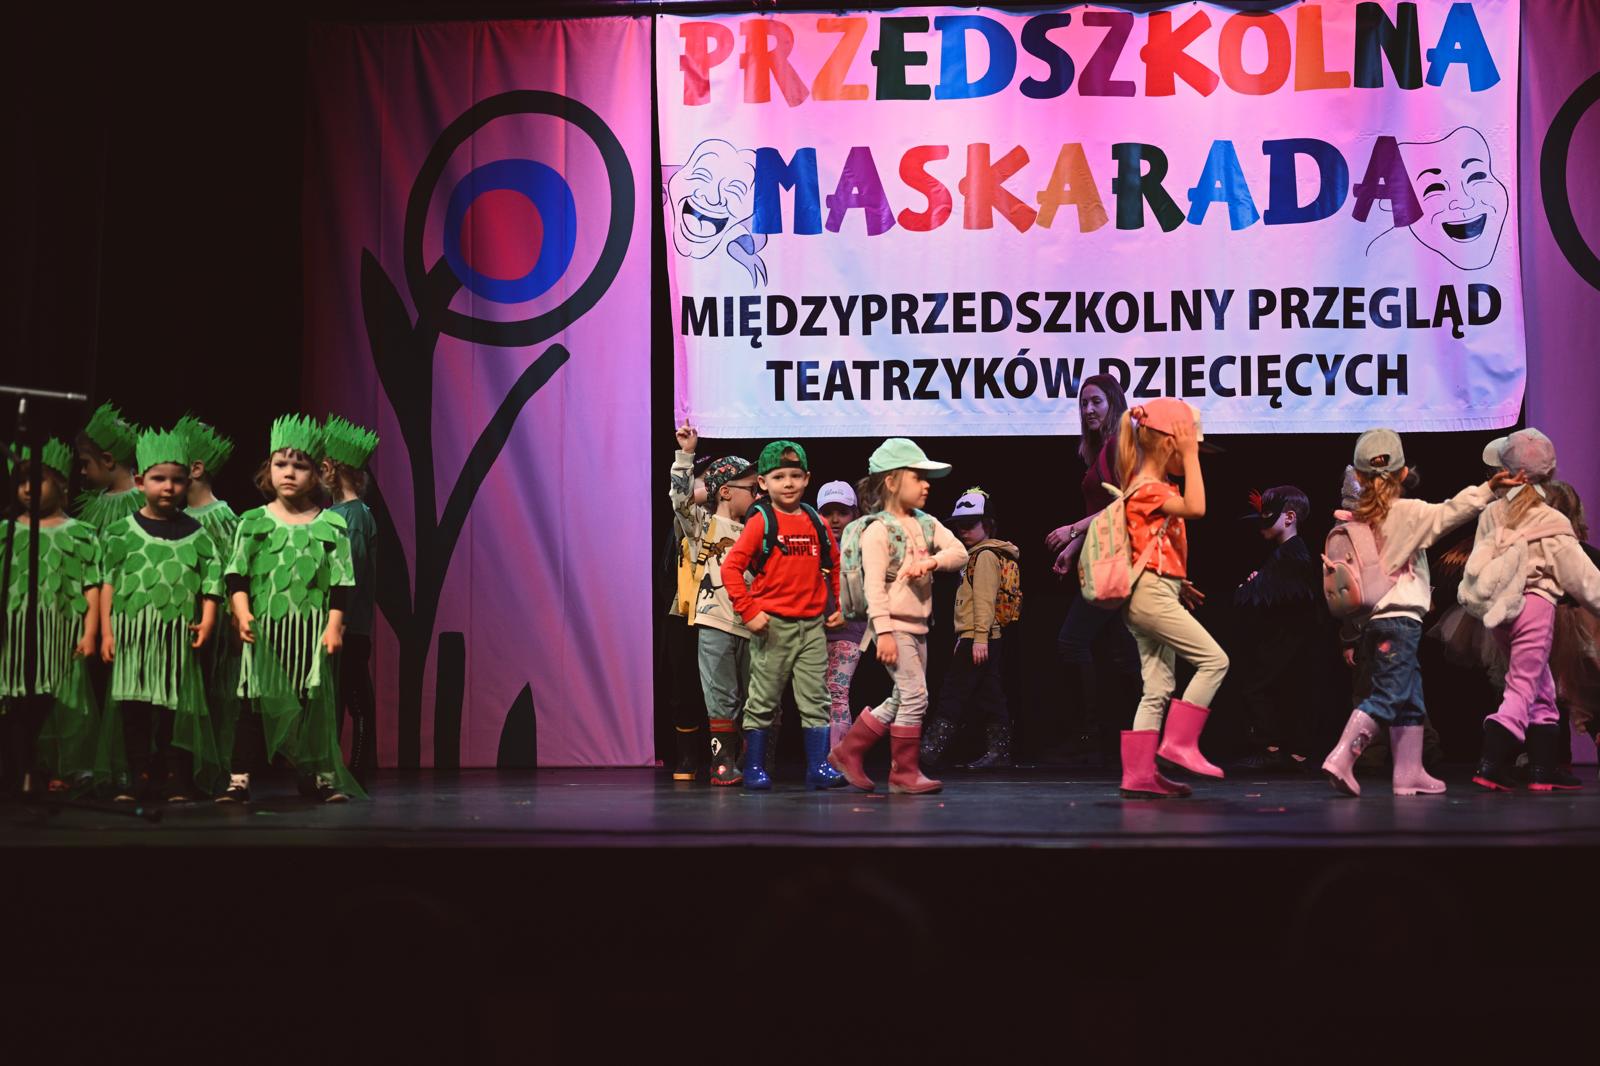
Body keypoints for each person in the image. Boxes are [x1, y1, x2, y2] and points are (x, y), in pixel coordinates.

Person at [1321, 429, 1516, 797]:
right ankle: (1342, 756)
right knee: (1389, 695)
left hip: (1376, 622)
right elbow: (1452, 511)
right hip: (1400, 622)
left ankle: (1409, 771)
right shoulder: (1406, 514)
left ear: (1358, 475)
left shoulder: (1354, 518)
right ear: (1402, 473)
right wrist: (1489, 488)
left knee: (1409, 698)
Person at [219, 415, 361, 804]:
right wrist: (243, 613)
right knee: (252, 705)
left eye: (300, 466)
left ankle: (318, 776)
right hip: (265, 634)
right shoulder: (253, 522)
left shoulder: (332, 525)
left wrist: (334, 626)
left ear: (317, 474)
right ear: (269, 469)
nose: (289, 473)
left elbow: (341, 583)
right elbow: (236, 575)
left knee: (313, 709)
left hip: (309, 635)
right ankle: (239, 778)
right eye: (281, 464)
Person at [1459, 430, 1600, 792]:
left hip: (1499, 613)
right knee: (1522, 686)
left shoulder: (1493, 513)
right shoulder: (1550, 520)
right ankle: (1490, 764)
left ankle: (1542, 767)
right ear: (1549, 473)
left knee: (1540, 686)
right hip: (1533, 608)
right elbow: (1584, 579)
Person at [828, 438, 968, 795]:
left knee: (903, 697)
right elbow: (874, 588)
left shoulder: (925, 523)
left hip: (918, 625)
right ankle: (903, 773)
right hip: (892, 625)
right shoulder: (879, 530)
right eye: (917, 477)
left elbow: (959, 552)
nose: (926, 485)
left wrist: (931, 561)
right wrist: (885, 633)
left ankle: (848, 750)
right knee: (916, 697)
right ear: (891, 482)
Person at [93, 427, 225, 803]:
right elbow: (107, 584)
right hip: (132, 637)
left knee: (174, 710)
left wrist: (208, 619)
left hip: (175, 639)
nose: (168, 487)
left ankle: (175, 778)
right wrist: (106, 633)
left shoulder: (198, 534)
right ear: (140, 481)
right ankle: (135, 777)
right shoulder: (120, 533)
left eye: (177, 480)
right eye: (159, 478)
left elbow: (211, 580)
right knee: (133, 709)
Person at [1115, 399, 1228, 798]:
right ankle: (1180, 744)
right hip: (1149, 596)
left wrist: (1177, 583)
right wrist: (1191, 455)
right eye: (1188, 448)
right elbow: (1197, 507)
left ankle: (1139, 775)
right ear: (1169, 444)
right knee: (1214, 661)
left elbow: (1148, 547)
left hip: (1155, 591)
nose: (1194, 456)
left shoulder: (1150, 488)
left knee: (1158, 687)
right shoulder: (1148, 488)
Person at [720, 441, 845, 791]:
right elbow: (731, 568)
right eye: (779, 477)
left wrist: (837, 607)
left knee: (817, 699)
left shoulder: (816, 521)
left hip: (813, 627)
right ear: (763, 483)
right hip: (773, 626)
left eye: (794, 475)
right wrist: (749, 611)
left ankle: (818, 767)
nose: (788, 483)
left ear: (807, 478)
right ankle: (754, 767)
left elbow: (834, 564)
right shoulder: (762, 521)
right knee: (762, 701)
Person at [1046, 374, 1140, 764]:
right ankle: (1128, 740)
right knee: (1124, 651)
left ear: (1114, 403)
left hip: (1124, 559)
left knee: (1077, 642)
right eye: (1083, 403)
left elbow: (1132, 501)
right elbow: (1104, 511)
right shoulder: (1102, 449)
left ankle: (1101, 736)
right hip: (1105, 557)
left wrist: (1073, 530)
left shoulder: (1123, 443)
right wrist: (1075, 547)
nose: (1088, 410)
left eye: (1096, 401)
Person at [0, 439, 99, 795]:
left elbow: (92, 586)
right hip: (14, 636)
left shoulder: (80, 534)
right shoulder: (6, 531)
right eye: (21, 481)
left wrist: (90, 632)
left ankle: (52, 769)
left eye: (37, 480)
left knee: (52, 703)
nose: (27, 488)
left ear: (60, 483)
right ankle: (20, 773)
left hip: (59, 637)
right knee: (15, 703)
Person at [669, 423, 758, 785]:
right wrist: (686, 456)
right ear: (725, 491)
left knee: (755, 696)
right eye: (751, 489)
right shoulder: (703, 525)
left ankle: (753, 760)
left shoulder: (758, 527)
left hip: (753, 624)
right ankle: (722, 761)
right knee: (721, 695)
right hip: (716, 621)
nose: (757, 494)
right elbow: (680, 499)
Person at [922, 487, 1020, 770]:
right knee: (989, 694)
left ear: (987, 524)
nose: (963, 531)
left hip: (981, 637)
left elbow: (984, 601)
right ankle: (999, 752)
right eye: (959, 525)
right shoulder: (976, 554)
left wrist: (978, 639)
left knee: (953, 692)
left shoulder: (985, 555)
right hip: (979, 636)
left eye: (970, 524)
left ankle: (928, 751)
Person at [1232, 486, 1322, 770]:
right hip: (1285, 638)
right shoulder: (1285, 554)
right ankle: (1288, 750)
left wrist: (1251, 586)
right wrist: (1260, 582)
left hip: (1289, 640)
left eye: (1268, 515)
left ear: (1289, 517)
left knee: (1263, 687)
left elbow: (1255, 595)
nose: (1261, 525)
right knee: (1285, 689)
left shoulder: (1292, 554)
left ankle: (1276, 749)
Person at [321, 414, 380, 788]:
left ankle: (358, 768)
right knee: (338, 697)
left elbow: (351, 572)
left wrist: (339, 621)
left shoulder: (354, 515)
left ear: (329, 469)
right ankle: (329, 767)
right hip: (336, 623)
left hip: (349, 626)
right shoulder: (333, 513)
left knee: (355, 698)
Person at [817, 479, 866, 750]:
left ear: (854, 514)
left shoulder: (863, 547)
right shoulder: (812, 546)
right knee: (815, 697)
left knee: (836, 692)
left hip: (849, 631)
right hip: (813, 632)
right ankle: (819, 759)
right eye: (828, 512)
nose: (835, 519)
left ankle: (837, 758)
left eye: (842, 512)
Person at [74, 401, 143, 530]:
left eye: (85, 463)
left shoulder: (144, 503)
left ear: (107, 460)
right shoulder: (95, 500)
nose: (82, 471)